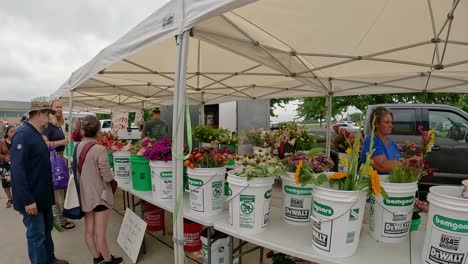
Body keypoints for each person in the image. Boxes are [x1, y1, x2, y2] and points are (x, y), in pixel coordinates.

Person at [10, 100, 69, 264]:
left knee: (47, 230)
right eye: (48, 114)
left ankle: (50, 259)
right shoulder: (23, 134)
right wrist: (28, 200)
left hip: (42, 195)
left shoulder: (36, 133)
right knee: (36, 236)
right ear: (39, 114)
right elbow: (17, 170)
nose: (50, 117)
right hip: (32, 198)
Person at [76, 115, 123, 264]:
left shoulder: (77, 146)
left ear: (83, 130)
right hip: (100, 195)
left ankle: (97, 257)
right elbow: (107, 176)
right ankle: (108, 260)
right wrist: (113, 174)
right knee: (100, 233)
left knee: (89, 230)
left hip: (84, 194)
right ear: (99, 130)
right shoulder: (100, 149)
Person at [42, 99, 75, 230]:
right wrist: (62, 142)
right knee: (57, 190)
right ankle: (59, 220)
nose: (59, 109)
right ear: (51, 109)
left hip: (59, 158)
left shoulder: (57, 125)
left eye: (61, 107)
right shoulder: (48, 126)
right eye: (56, 107)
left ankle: (60, 217)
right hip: (53, 159)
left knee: (60, 188)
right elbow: (44, 143)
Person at [360, 106, 421, 174]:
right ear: (376, 124)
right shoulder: (372, 141)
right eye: (387, 122)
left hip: (390, 183)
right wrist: (408, 162)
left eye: (391, 122)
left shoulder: (392, 143)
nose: (391, 125)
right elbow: (382, 166)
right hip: (374, 183)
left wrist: (414, 164)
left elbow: (398, 162)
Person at [0, 126, 15, 208]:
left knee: (15, 183)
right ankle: (10, 199)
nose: (13, 133)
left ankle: (15, 198)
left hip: (16, 165)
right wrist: (4, 157)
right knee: (6, 184)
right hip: (5, 166)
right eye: (11, 132)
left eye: (14, 131)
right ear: (7, 133)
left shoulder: (17, 141)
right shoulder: (2, 143)